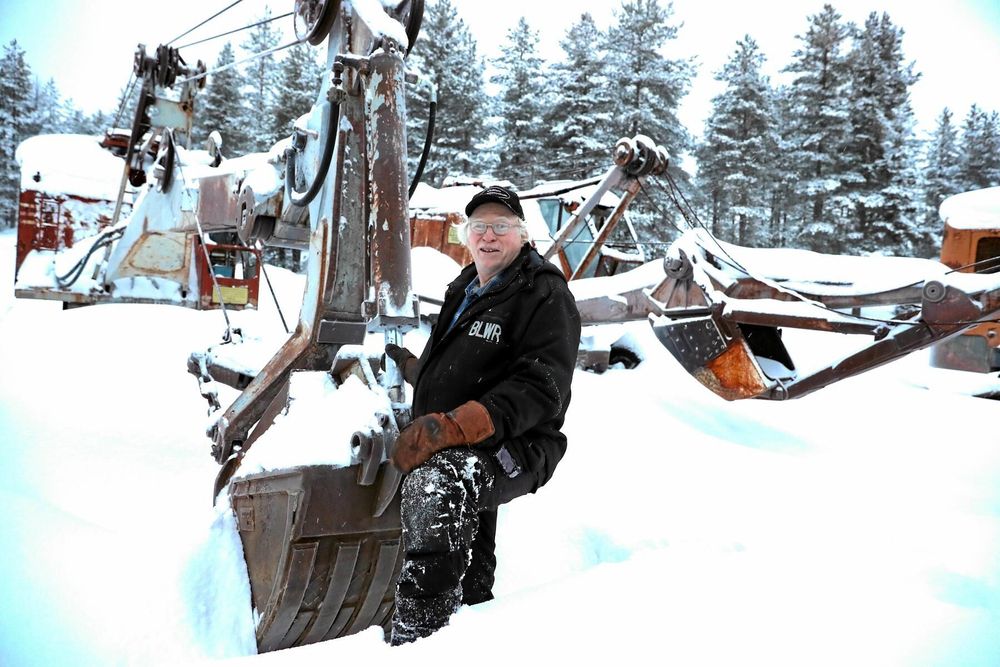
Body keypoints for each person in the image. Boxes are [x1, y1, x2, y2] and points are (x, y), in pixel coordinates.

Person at [384, 185, 581, 644]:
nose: (488, 236)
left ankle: (418, 640)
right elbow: (470, 367)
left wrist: (453, 426)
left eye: (501, 226)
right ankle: (474, 635)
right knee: (469, 552)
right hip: (472, 440)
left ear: (523, 235)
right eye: (479, 227)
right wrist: (418, 371)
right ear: (466, 234)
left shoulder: (544, 292)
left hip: (520, 444)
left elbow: (542, 388)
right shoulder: (467, 285)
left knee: (443, 484)